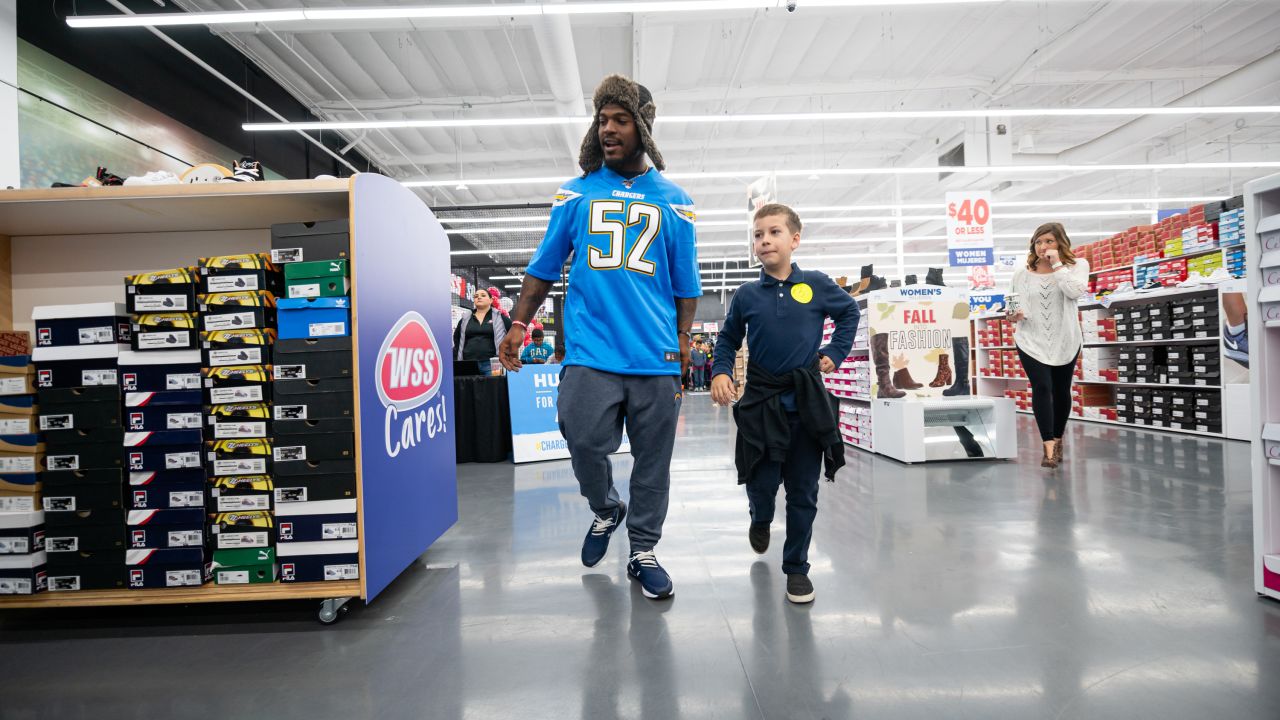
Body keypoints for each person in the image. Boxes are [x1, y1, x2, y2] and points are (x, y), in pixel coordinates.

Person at [498, 74, 701, 600]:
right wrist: (519, 323)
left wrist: (683, 339)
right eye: (602, 120)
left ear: (643, 127)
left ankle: (643, 548)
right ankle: (605, 507)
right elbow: (544, 267)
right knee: (581, 434)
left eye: (620, 120)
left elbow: (687, 282)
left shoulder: (675, 201)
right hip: (591, 350)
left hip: (654, 354)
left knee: (654, 460)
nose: (608, 130)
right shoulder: (576, 192)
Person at [710, 203, 859, 604]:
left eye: (774, 232)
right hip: (760, 403)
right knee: (760, 484)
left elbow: (849, 313)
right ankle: (760, 517)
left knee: (803, 492)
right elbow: (726, 340)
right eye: (758, 235)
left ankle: (796, 567)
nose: (764, 241)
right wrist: (721, 371)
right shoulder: (746, 295)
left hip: (806, 406)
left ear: (795, 239)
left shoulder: (816, 283)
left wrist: (836, 352)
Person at [1008, 222, 1090, 468]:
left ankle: (1058, 436)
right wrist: (1012, 314)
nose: (1042, 246)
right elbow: (1011, 302)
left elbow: (1074, 292)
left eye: (1048, 241)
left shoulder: (1077, 266)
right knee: (1042, 387)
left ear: (1060, 243)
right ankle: (1049, 448)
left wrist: (1057, 265)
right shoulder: (1022, 273)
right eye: (1038, 242)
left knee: (1061, 389)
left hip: (1065, 338)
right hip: (1030, 339)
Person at [453, 287, 513, 375]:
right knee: (469, 388)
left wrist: (506, 355)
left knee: (494, 387)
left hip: (494, 363)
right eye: (476, 296)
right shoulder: (465, 319)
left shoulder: (502, 319)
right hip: (468, 363)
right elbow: (457, 338)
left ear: (491, 300)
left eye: (483, 295)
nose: (479, 297)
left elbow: (512, 337)